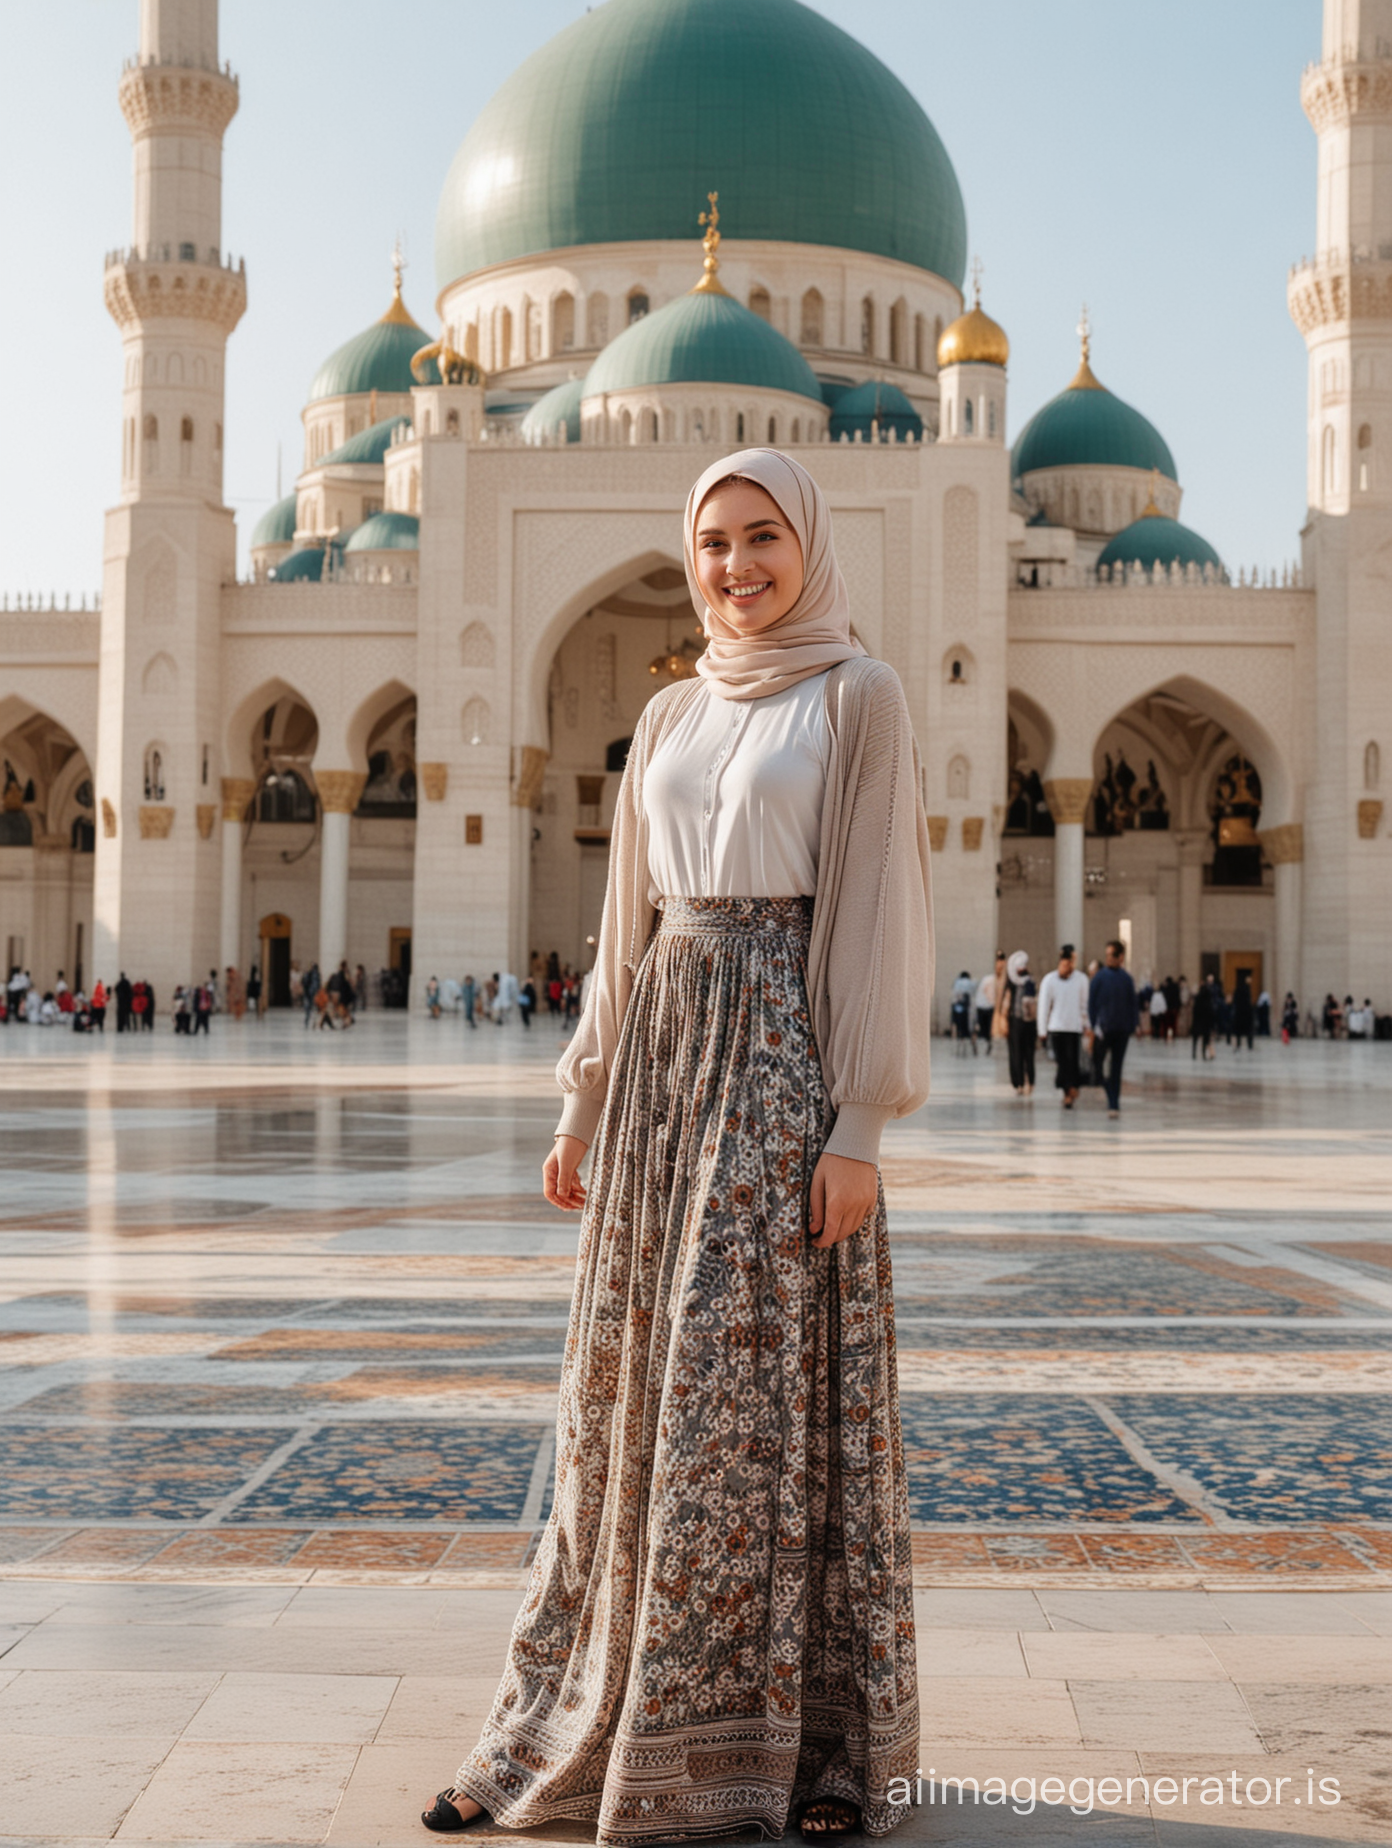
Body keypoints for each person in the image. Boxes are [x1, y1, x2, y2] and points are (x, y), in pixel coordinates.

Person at [424, 449, 931, 1844]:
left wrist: (861, 1126)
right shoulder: (665, 714)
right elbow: (625, 926)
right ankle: (563, 1722)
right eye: (713, 543)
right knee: (624, 1405)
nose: (737, 567)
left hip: (782, 1076)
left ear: (810, 546)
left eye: (764, 538)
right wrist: (583, 1097)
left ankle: (807, 1751)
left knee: (748, 1410)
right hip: (660, 1074)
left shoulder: (860, 695)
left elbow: (879, 909)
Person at [1089, 939, 1139, 1117]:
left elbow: (1133, 1004)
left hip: (1121, 1030)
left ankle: (1114, 1102)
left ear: (1120, 957)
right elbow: (1092, 1003)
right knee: (1098, 1066)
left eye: (1112, 955)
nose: (1109, 958)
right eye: (1107, 955)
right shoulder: (1099, 978)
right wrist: (1094, 1024)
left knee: (1116, 1067)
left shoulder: (1126, 979)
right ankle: (1109, 1090)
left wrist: (1133, 1025)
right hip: (1103, 1030)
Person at [1036, 943, 1090, 1107]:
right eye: (1067, 962)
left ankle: (1070, 1091)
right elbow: (1043, 1006)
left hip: (1074, 1028)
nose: (1069, 966)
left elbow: (1085, 1005)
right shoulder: (1049, 980)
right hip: (1056, 1028)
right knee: (1062, 1062)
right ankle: (1068, 1090)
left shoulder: (1081, 979)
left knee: (1073, 1062)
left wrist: (1087, 1024)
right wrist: (1042, 1030)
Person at [1001, 949, 1036, 1095]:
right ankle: (1019, 1083)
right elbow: (1005, 1003)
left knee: (1029, 1054)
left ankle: (1031, 1082)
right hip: (1015, 1022)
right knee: (1016, 1053)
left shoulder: (1030, 981)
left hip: (1029, 1022)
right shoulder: (1011, 984)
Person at [950, 969, 976, 1055]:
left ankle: (957, 1037)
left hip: (956, 1009)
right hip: (966, 1010)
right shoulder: (970, 983)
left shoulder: (956, 982)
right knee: (969, 1028)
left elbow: (953, 997)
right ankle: (970, 1043)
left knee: (957, 1025)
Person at [1190, 975, 1216, 1060]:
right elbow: (1211, 1013)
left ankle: (1194, 1053)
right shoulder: (1208, 1001)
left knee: (1195, 1039)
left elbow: (1194, 1011)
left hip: (1197, 1022)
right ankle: (1203, 1054)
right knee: (1205, 1039)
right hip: (1205, 1023)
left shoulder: (1198, 999)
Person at [975, 959, 998, 1053]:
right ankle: (987, 1044)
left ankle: (984, 1044)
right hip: (988, 1006)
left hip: (981, 1006)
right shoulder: (994, 980)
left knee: (983, 1028)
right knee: (988, 1028)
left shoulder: (987, 979)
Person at [1231, 974, 1255, 1051]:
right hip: (1245, 1014)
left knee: (1239, 1031)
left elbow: (1235, 1002)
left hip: (1240, 1014)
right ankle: (1249, 1045)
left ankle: (1239, 1045)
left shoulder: (1238, 990)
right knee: (1248, 1031)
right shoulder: (1246, 990)